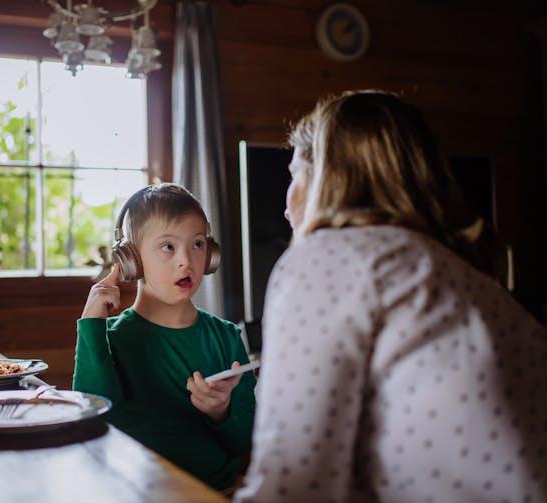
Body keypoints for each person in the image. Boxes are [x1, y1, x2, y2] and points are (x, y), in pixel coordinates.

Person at [234, 90, 547, 502]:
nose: (287, 207)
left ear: (329, 180)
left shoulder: (330, 258)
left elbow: (292, 489)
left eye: (295, 175)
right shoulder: (467, 278)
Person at [73, 183, 257, 491]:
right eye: (168, 247)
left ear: (211, 254)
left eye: (198, 244)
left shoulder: (226, 337)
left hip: (215, 492)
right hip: (135, 491)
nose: (186, 260)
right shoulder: (109, 338)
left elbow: (244, 442)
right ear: (131, 260)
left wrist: (221, 413)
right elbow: (92, 419)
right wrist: (91, 324)